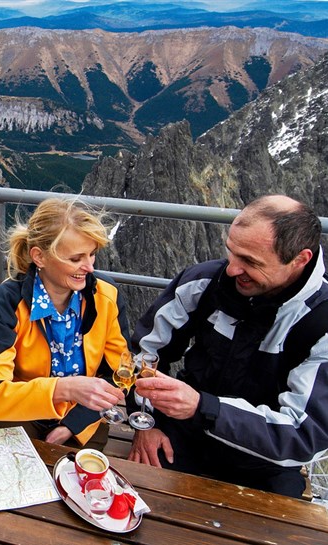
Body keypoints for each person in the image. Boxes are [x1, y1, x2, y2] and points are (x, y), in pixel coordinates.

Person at [129, 195, 328, 498]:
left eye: (250, 261)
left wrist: (203, 408)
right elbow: (145, 352)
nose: (232, 269)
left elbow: (303, 435)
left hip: (264, 464)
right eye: (231, 252)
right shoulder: (203, 282)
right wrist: (147, 423)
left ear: (300, 259)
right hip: (181, 436)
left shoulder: (321, 322)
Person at [0, 198, 129, 449]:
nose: (89, 267)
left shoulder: (107, 296)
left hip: (83, 415)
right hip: (18, 412)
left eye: (92, 254)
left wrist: (73, 423)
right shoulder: (8, 301)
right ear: (39, 257)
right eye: (76, 258)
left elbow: (121, 373)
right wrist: (63, 389)